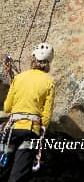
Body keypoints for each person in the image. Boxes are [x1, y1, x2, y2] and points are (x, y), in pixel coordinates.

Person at [2, 43, 55, 181]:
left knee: (2, 169)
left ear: (33, 58)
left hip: (12, 129)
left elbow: (7, 107)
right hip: (31, 131)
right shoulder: (49, 82)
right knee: (18, 175)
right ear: (49, 62)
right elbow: (46, 117)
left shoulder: (19, 78)